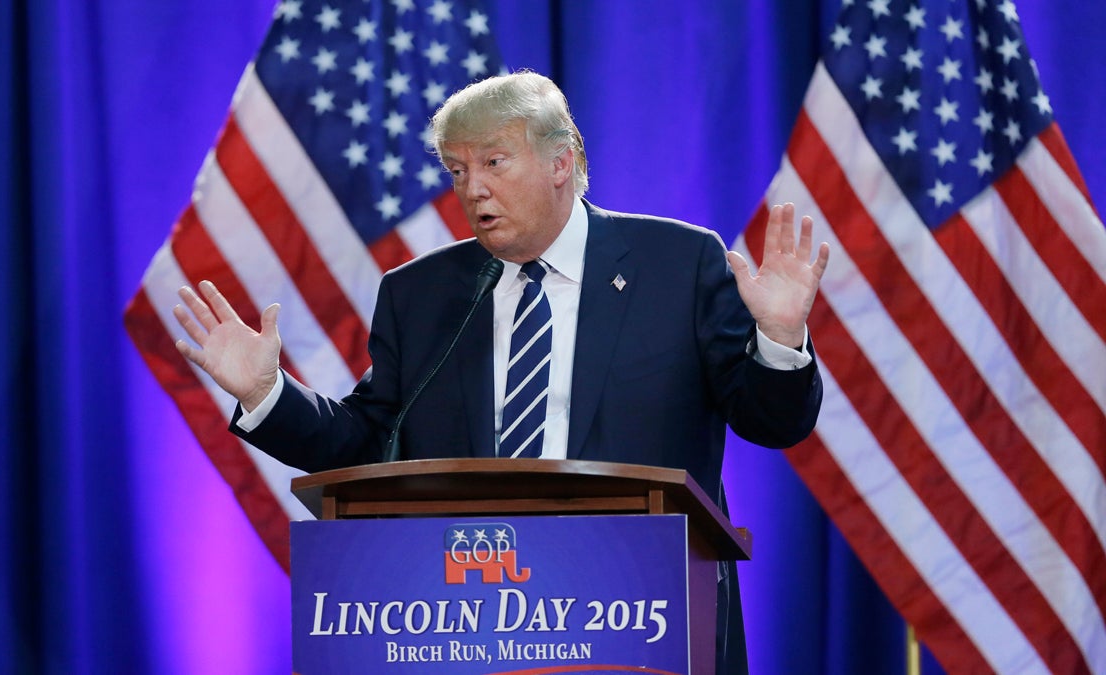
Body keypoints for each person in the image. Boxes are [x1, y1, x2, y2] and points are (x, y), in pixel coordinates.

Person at [173, 71, 828, 674]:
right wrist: (267, 392)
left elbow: (771, 420)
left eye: (493, 162)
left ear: (560, 162)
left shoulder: (677, 264)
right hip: (469, 627)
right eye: (457, 169)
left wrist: (778, 336)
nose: (472, 188)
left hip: (638, 620)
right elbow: (371, 441)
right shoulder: (423, 295)